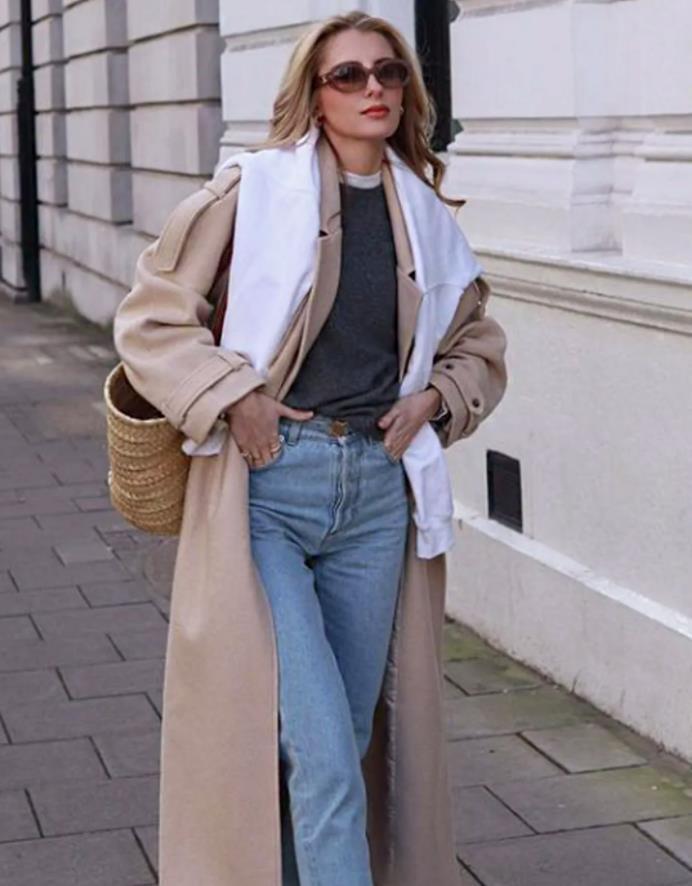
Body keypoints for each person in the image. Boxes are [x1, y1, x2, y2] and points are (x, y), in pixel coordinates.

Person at [113, 10, 508, 886]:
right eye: (348, 76)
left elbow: (478, 345)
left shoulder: (426, 215)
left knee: (345, 739)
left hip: (376, 498)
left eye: (389, 72)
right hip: (268, 493)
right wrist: (235, 395)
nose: (374, 89)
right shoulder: (250, 192)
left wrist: (435, 400)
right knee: (322, 751)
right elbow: (150, 320)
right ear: (314, 95)